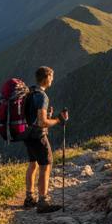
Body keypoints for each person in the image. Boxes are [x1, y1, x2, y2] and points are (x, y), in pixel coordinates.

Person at [22, 65, 69, 212]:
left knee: (33, 164)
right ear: (47, 77)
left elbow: (33, 116)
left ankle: (29, 198)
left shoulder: (30, 92)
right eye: (52, 77)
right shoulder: (42, 96)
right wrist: (58, 120)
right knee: (46, 164)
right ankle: (43, 201)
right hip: (38, 136)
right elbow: (42, 122)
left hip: (27, 135)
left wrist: (47, 115)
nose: (52, 80)